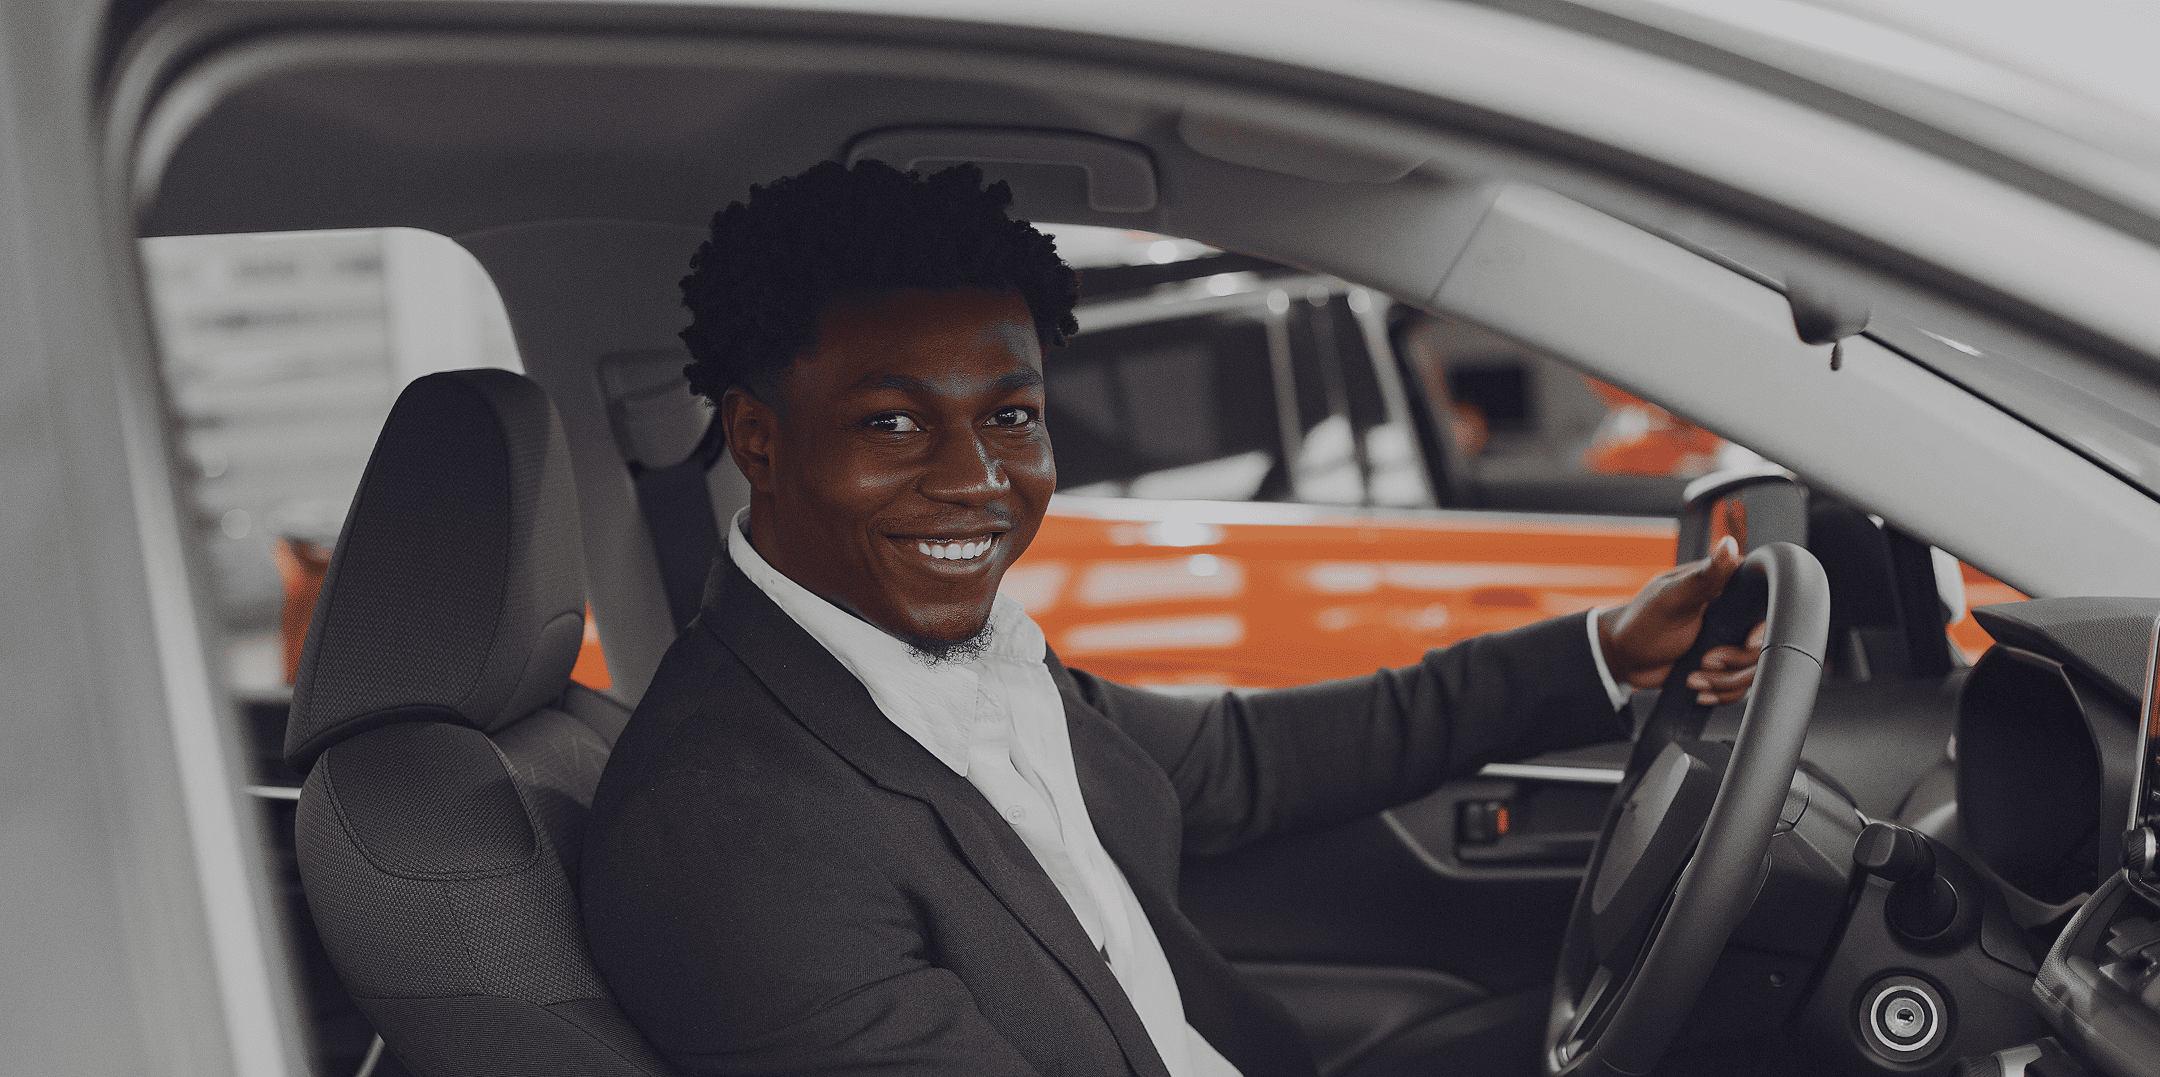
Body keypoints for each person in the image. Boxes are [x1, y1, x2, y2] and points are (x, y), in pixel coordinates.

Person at [580, 160, 1764, 1077]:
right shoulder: (728, 836)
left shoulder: (956, 667)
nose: (978, 480)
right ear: (759, 442)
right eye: (892, 424)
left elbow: (1245, 761)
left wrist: (1603, 653)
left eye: (1010, 417)